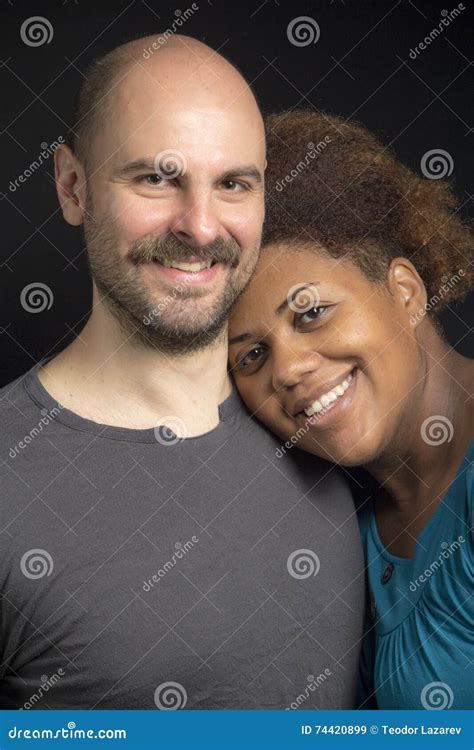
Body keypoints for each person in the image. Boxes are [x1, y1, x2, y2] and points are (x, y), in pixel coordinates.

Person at [0, 38, 364, 709]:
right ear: (72, 187)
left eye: (232, 184)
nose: (199, 227)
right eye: (156, 179)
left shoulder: (328, 422)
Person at [228, 110, 474, 709]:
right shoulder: (337, 514)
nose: (286, 370)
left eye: (311, 313)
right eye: (253, 355)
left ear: (405, 292)